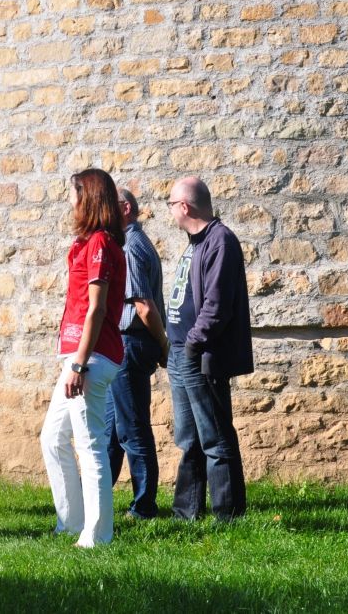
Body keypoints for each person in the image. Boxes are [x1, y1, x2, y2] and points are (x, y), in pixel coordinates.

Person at [40, 168, 127, 548]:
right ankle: (72, 521)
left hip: (90, 358)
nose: (69, 200)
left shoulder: (102, 244)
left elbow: (96, 310)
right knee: (52, 439)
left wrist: (78, 364)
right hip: (77, 357)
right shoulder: (87, 244)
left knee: (90, 445)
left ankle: (97, 536)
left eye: (73, 193)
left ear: (87, 197)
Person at [164, 175, 254, 521]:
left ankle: (229, 516)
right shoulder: (196, 242)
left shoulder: (220, 241)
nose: (170, 212)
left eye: (171, 204)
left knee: (215, 437)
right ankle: (186, 512)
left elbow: (216, 306)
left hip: (199, 356)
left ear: (184, 206)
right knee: (189, 439)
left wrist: (192, 344)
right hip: (181, 353)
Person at [104, 188, 169, 520]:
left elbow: (144, 307)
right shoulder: (134, 244)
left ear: (125, 208)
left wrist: (163, 343)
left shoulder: (130, 247)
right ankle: (97, 503)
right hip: (128, 345)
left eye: (108, 206)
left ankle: (144, 507)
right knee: (113, 432)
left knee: (132, 430)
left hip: (131, 344)